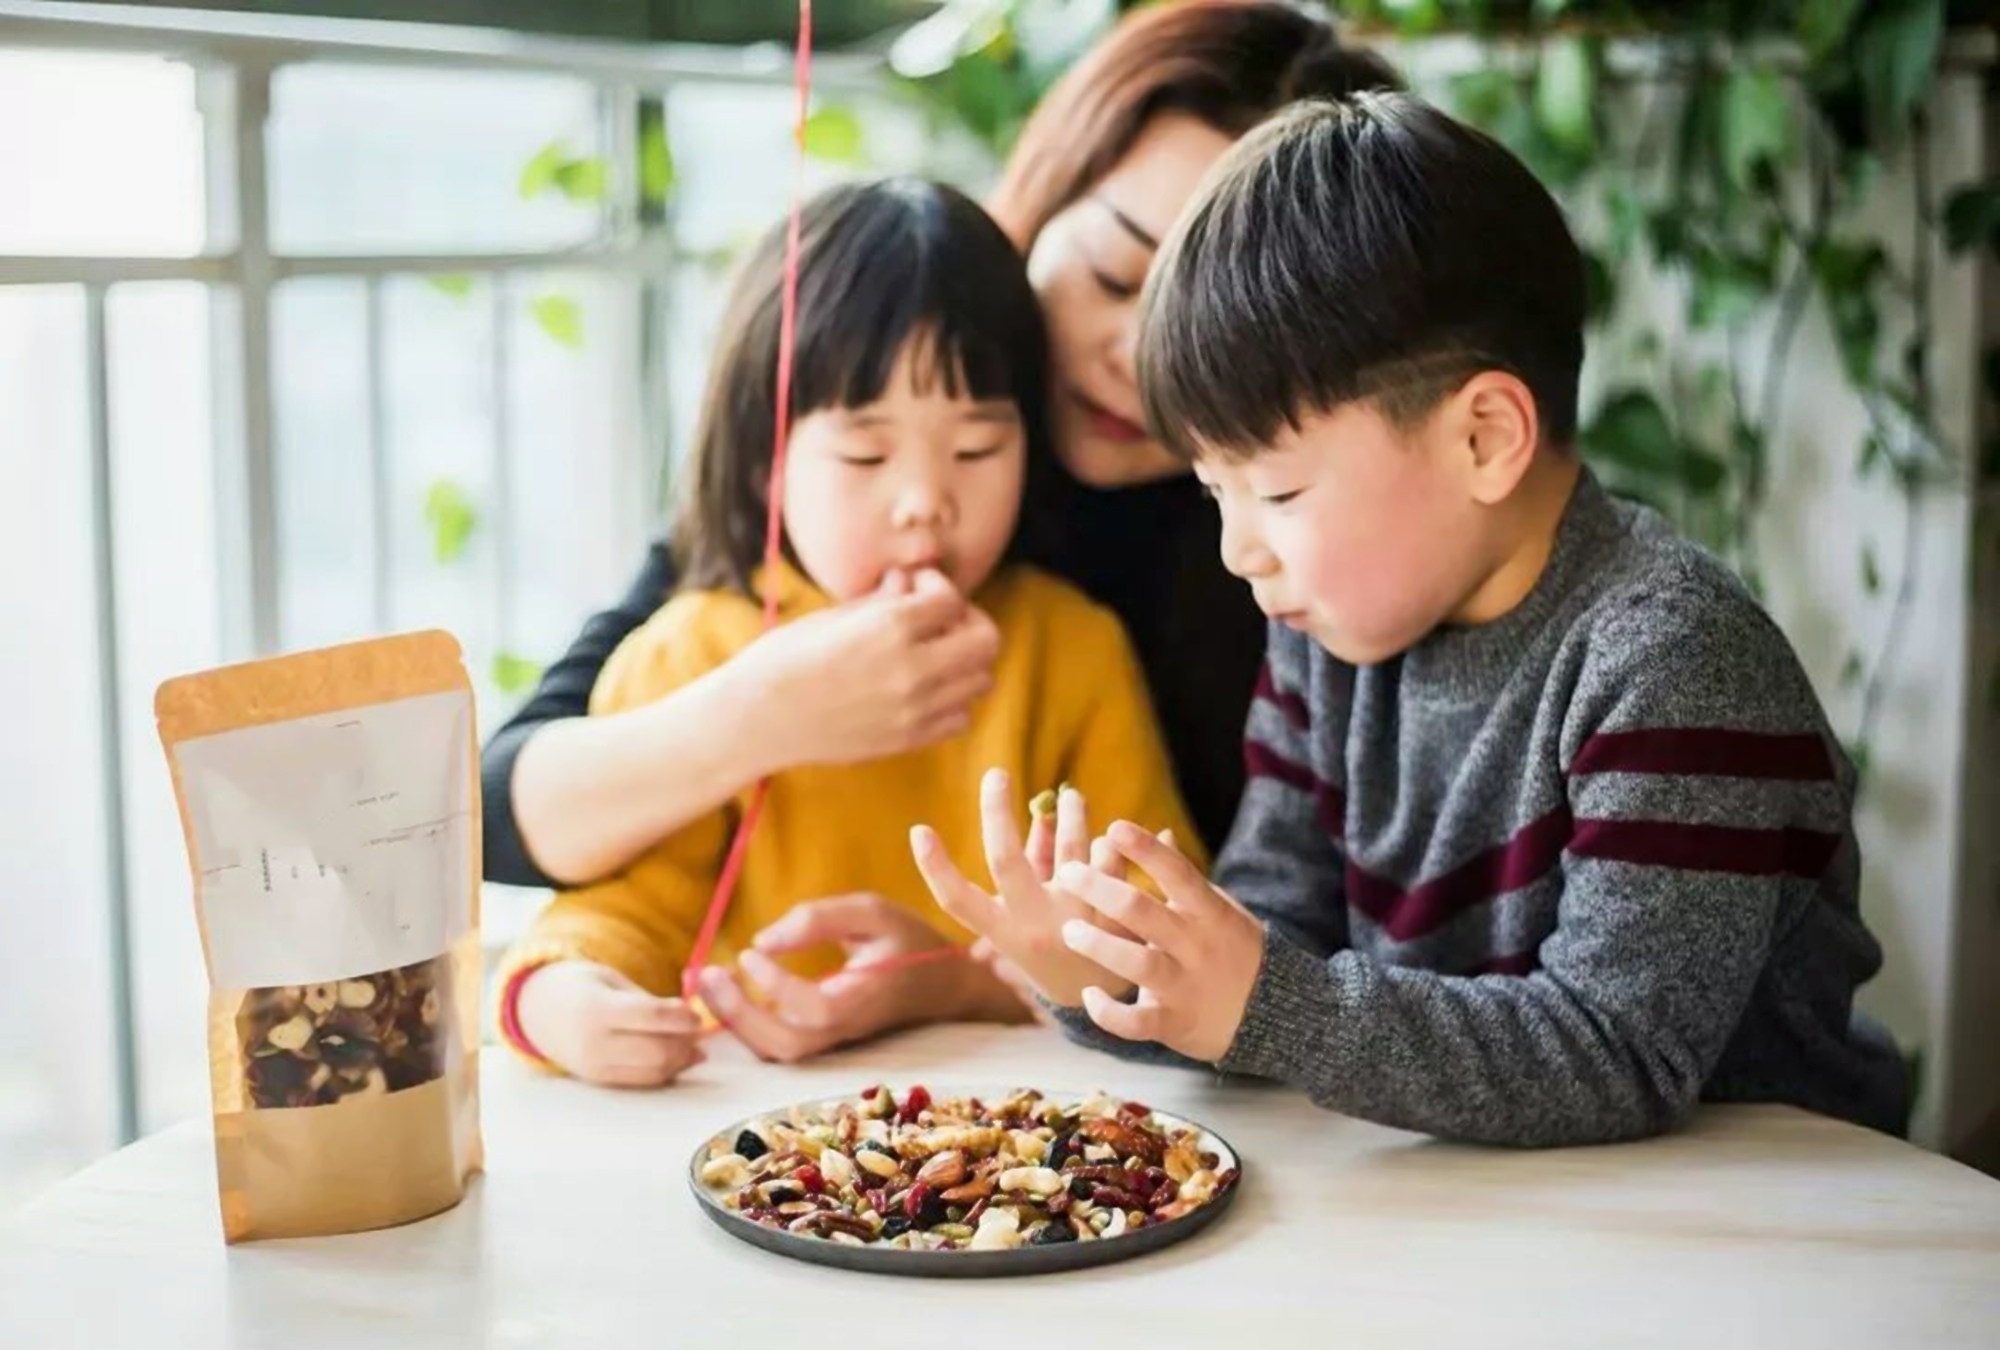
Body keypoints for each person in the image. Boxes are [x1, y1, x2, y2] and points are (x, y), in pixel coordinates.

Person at [912, 93, 1910, 1145]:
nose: (1237, 551)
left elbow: (1618, 1055)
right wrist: (1120, 972)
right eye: (1215, 495)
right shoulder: (1328, 633)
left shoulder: (1669, 659)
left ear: (1481, 438)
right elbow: (1275, 947)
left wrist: (1259, 999)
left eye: (1278, 494)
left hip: (1762, 1214)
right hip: (1491, 1210)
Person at [478, 2, 1400, 1062]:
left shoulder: (1257, 578)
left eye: (1214, 322)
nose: (1135, 357)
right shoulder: (797, 516)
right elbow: (508, 815)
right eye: (1111, 275)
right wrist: (758, 713)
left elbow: (1214, 940)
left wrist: (958, 978)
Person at [494, 178, 1199, 1087]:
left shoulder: (1069, 647)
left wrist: (939, 984)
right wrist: (564, 998)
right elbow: (627, 914)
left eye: (978, 450)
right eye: (866, 455)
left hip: (1014, 1117)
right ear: (764, 463)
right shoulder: (691, 651)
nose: (925, 505)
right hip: (751, 1135)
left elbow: (1152, 933)